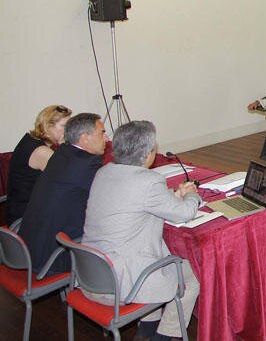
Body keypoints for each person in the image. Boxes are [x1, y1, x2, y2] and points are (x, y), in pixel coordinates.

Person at [82, 121, 199, 341]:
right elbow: (184, 213)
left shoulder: (104, 172)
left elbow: (134, 203)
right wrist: (192, 194)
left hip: (90, 274)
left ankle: (147, 326)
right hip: (121, 284)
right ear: (147, 154)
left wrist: (173, 196)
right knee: (195, 273)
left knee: (151, 254)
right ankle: (165, 335)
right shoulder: (149, 181)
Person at [18, 113, 106, 275]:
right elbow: (109, 196)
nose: (106, 138)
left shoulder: (62, 153)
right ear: (84, 138)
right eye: (102, 133)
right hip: (53, 257)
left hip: (29, 249)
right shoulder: (87, 162)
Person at [6, 105, 71, 224]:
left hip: (29, 211)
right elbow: (70, 176)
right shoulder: (40, 151)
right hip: (25, 220)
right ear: (48, 126)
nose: (68, 131)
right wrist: (65, 146)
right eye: (64, 126)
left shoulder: (29, 140)